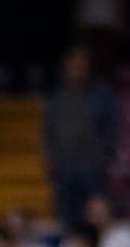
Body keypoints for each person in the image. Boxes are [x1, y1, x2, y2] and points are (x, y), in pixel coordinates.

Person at [43, 48, 118, 227]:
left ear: (89, 68)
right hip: (64, 168)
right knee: (66, 219)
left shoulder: (103, 96)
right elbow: (48, 132)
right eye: (74, 65)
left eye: (81, 66)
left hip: (93, 167)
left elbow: (112, 130)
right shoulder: (57, 99)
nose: (78, 70)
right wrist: (50, 158)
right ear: (66, 68)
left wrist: (103, 159)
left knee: (95, 217)